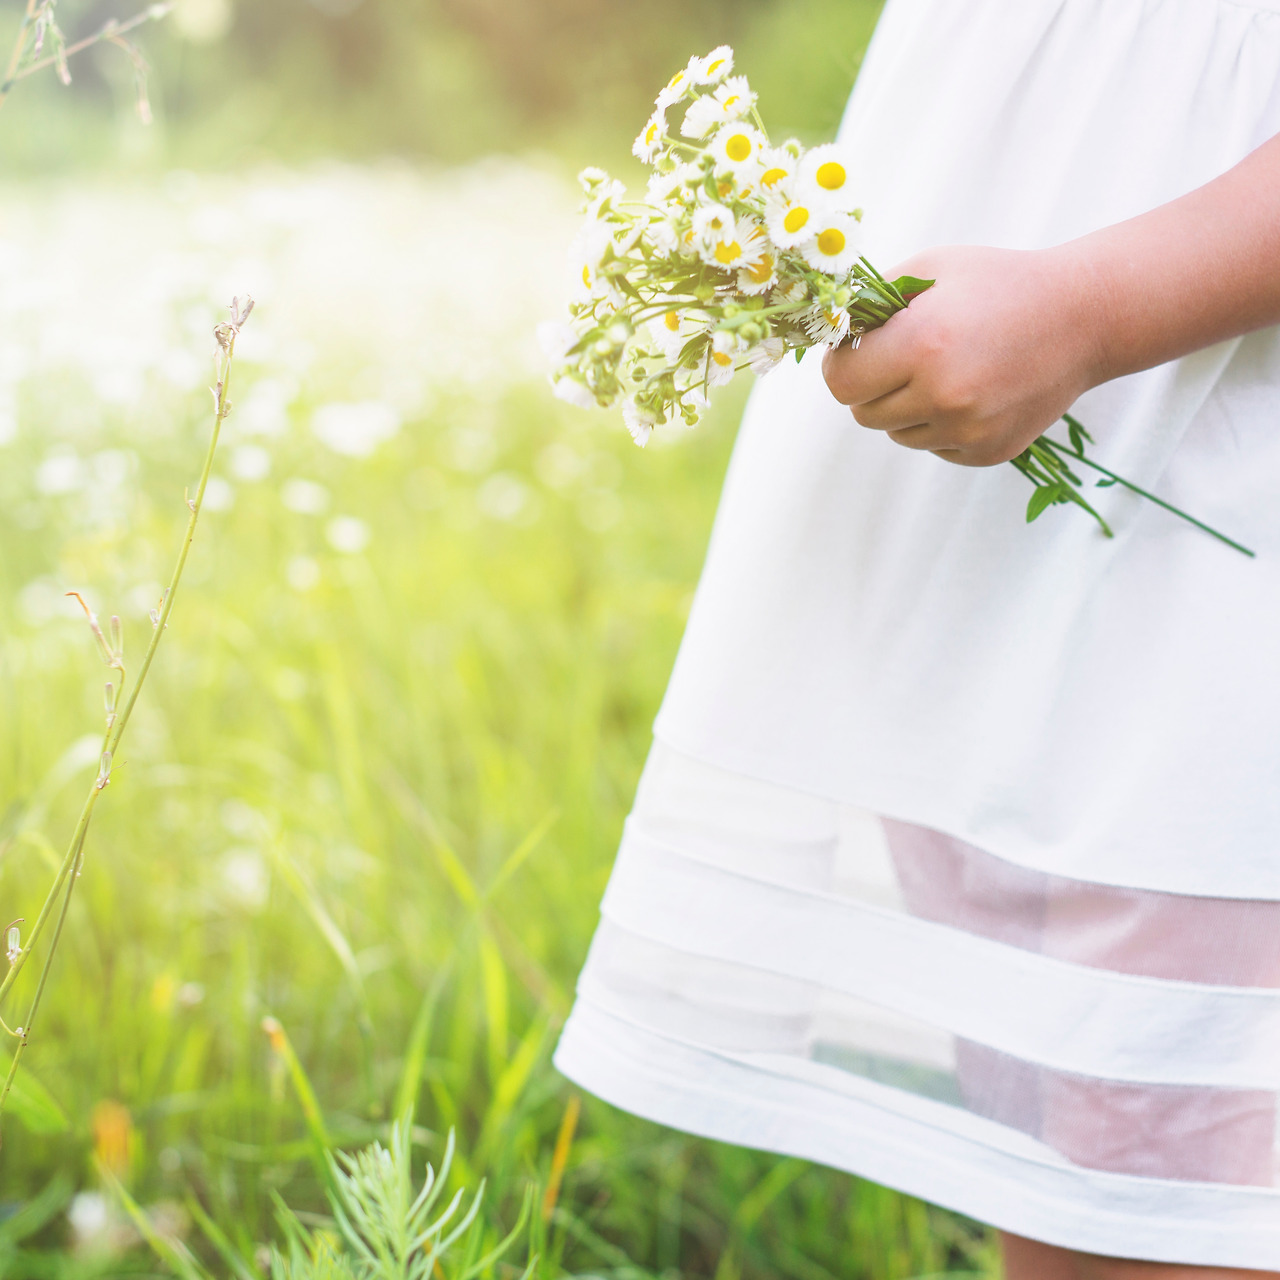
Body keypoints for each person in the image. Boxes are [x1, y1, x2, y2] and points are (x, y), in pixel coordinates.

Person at [554, 0, 1280, 1273]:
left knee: (1172, 1165)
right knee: (1066, 1142)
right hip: (985, 485)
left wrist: (1088, 309)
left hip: (1203, 450)